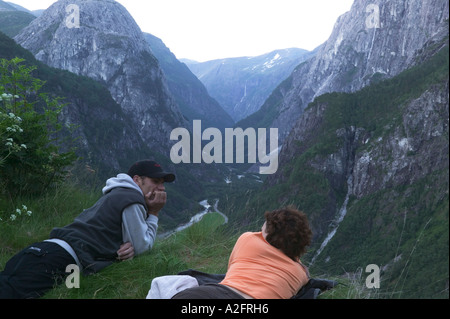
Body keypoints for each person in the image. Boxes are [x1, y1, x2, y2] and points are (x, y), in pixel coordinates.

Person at [0, 159, 175, 299]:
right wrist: (153, 212)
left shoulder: (116, 193)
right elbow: (144, 247)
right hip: (62, 261)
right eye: (155, 181)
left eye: (162, 183)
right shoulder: (132, 199)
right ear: (137, 180)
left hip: (43, 250)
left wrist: (123, 250)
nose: (161, 188)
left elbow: (114, 235)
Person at [171, 206, 313, 299]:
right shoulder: (299, 273)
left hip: (210, 295)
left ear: (268, 233)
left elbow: (230, 271)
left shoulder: (248, 239)